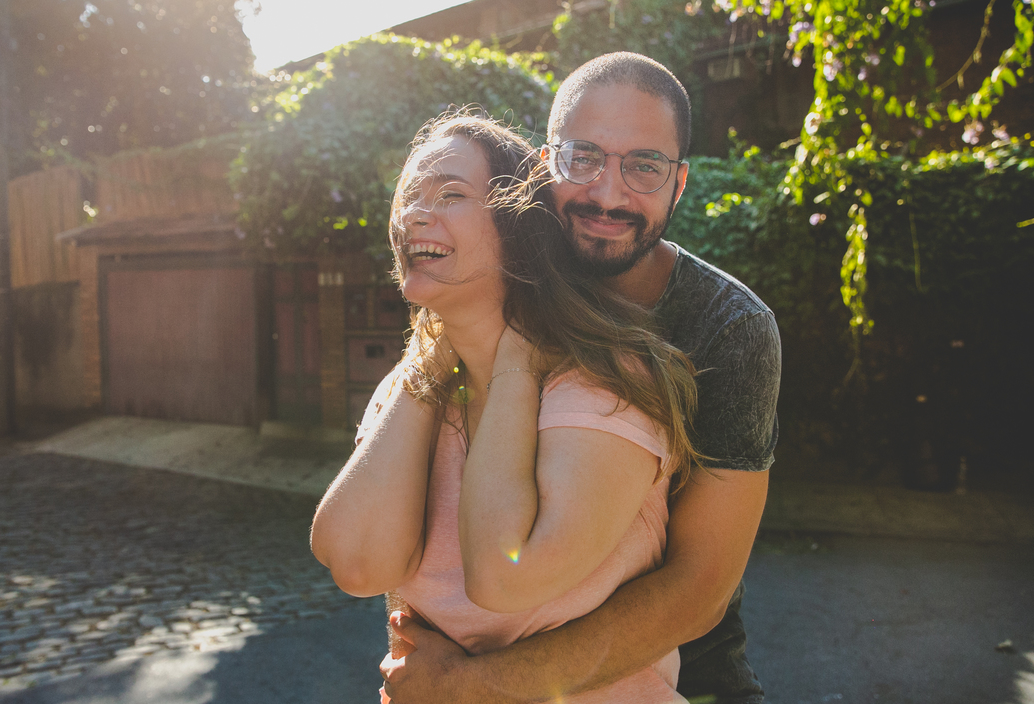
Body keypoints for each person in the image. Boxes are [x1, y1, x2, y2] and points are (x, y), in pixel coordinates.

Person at [378, 53, 781, 704]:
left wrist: (470, 686)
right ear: (544, 166)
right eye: (583, 157)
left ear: (679, 183)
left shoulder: (728, 326)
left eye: (644, 166)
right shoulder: (492, 286)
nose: (608, 195)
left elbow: (699, 589)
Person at [311, 112, 701, 702]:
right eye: (409, 196)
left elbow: (504, 577)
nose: (415, 214)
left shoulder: (603, 383)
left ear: (516, 226)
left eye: (450, 194)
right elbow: (356, 564)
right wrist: (428, 365)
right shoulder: (410, 389)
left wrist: (516, 357)